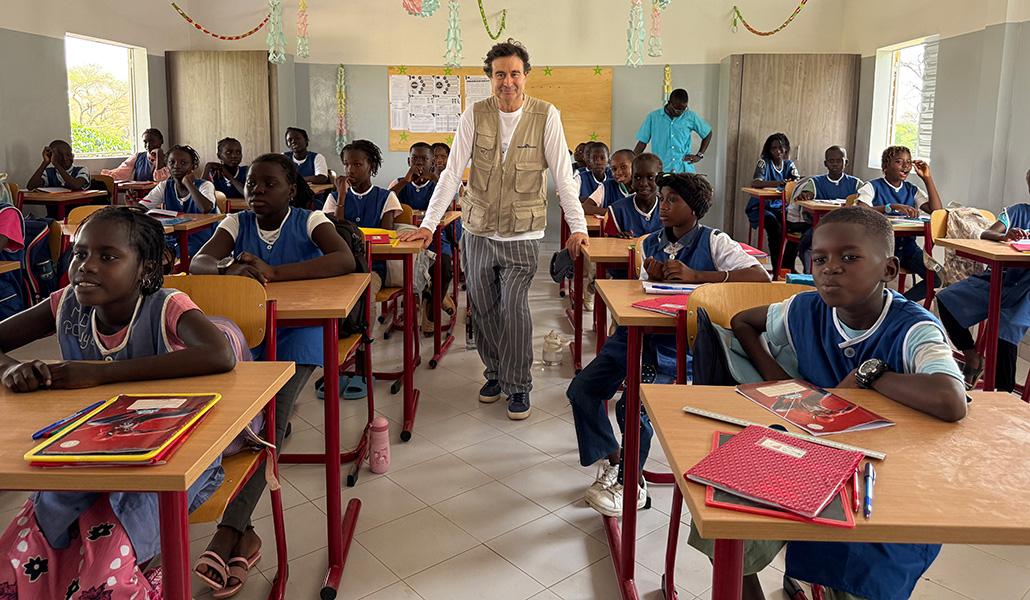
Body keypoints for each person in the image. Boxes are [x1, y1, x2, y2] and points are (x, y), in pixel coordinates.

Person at [726, 206, 965, 600]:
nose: (829, 269)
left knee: (859, 572)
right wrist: (781, 382)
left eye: (849, 258)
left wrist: (871, 376)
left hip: (887, 475)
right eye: (820, 258)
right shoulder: (804, 308)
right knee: (725, 522)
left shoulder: (913, 328)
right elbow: (742, 322)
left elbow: (951, 399)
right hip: (814, 456)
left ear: (889, 270)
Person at [0, 206, 235, 599]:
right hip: (87, 451)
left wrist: (98, 374)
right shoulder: (66, 305)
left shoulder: (166, 305)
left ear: (144, 268)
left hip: (172, 458)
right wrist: (8, 369)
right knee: (32, 542)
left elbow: (219, 355)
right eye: (79, 253)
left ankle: (133, 582)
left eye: (107, 257)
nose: (86, 266)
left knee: (110, 552)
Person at [191, 153, 356, 597]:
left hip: (299, 336)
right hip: (249, 337)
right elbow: (199, 264)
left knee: (272, 424)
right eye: (251, 185)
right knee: (229, 419)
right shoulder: (236, 224)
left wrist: (275, 274)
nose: (256, 192)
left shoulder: (309, 220)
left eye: (268, 185)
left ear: (291, 189)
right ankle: (248, 539)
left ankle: (230, 531)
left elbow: (342, 260)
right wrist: (231, 270)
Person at [399, 38, 590, 420]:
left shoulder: (545, 115)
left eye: (515, 74)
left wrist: (579, 226)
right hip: (478, 231)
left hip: (523, 235)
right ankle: (495, 374)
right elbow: (452, 173)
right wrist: (428, 225)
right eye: (500, 74)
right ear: (490, 77)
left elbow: (563, 177)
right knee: (483, 311)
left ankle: (518, 386)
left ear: (525, 76)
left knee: (514, 309)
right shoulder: (474, 114)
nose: (508, 82)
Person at [569, 173, 769, 516]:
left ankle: (631, 485)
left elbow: (759, 278)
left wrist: (697, 277)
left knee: (631, 406)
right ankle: (619, 465)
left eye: (673, 199)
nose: (663, 205)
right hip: (635, 335)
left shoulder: (714, 241)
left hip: (677, 346)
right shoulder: (649, 242)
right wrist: (656, 278)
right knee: (583, 390)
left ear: (696, 209)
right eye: (663, 198)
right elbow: (646, 294)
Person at [937, 168, 1030, 392]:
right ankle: (972, 357)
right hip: (1001, 277)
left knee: (1005, 327)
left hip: (1027, 289)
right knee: (946, 298)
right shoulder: (1018, 212)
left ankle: (1003, 394)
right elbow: (988, 233)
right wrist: (1005, 236)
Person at [856, 145, 942, 301]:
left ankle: (899, 304)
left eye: (909, 162)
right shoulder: (872, 187)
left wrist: (927, 178)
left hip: (908, 249)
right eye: (899, 162)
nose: (906, 166)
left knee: (937, 279)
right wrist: (891, 207)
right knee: (881, 285)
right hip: (880, 250)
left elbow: (936, 211)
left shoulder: (912, 189)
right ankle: (885, 306)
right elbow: (862, 211)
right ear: (885, 166)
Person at [389, 142, 456, 331]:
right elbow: (385, 204)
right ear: (408, 160)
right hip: (406, 240)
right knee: (408, 270)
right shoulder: (399, 182)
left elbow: (449, 209)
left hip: (435, 239)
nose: (419, 163)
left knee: (444, 270)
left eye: (424, 159)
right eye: (414, 159)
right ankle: (429, 293)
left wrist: (436, 179)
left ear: (432, 162)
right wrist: (405, 182)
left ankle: (431, 314)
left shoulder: (439, 183)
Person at [791, 145, 863, 272]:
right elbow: (809, 193)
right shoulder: (815, 182)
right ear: (825, 163)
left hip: (848, 227)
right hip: (821, 225)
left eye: (839, 160)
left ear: (846, 162)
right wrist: (805, 195)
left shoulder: (856, 184)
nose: (835, 164)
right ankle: (810, 275)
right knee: (806, 243)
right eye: (831, 161)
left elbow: (865, 202)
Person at [138, 145, 219, 259]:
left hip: (202, 242)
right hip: (173, 241)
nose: (177, 166)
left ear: (192, 166)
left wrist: (188, 183)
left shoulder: (205, 185)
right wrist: (133, 205)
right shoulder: (165, 186)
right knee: (145, 250)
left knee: (167, 258)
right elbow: (142, 206)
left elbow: (205, 208)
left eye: (183, 163)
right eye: (172, 162)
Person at [633, 88, 712, 174]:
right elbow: (642, 143)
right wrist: (631, 162)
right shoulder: (653, 117)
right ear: (669, 102)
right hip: (661, 170)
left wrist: (699, 155)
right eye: (677, 110)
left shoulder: (690, 116)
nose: (680, 113)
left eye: (683, 110)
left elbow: (707, 133)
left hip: (684, 170)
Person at [603, 153, 664, 240]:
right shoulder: (617, 210)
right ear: (632, 179)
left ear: (660, 179)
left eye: (650, 177)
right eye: (637, 178)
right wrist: (617, 238)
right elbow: (607, 245)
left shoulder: (670, 210)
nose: (643, 184)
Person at [27, 140, 91, 215]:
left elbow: (75, 185)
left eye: (68, 155)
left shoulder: (82, 170)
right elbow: (31, 186)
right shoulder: (49, 172)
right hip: (54, 219)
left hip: (79, 217)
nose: (65, 159)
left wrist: (56, 164)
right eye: (59, 156)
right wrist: (45, 162)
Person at [101, 128, 170, 183]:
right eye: (145, 142)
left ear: (161, 141)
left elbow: (161, 180)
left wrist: (159, 154)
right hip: (139, 197)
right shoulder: (138, 157)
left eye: (152, 141)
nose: (148, 145)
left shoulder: (169, 160)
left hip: (160, 198)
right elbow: (120, 174)